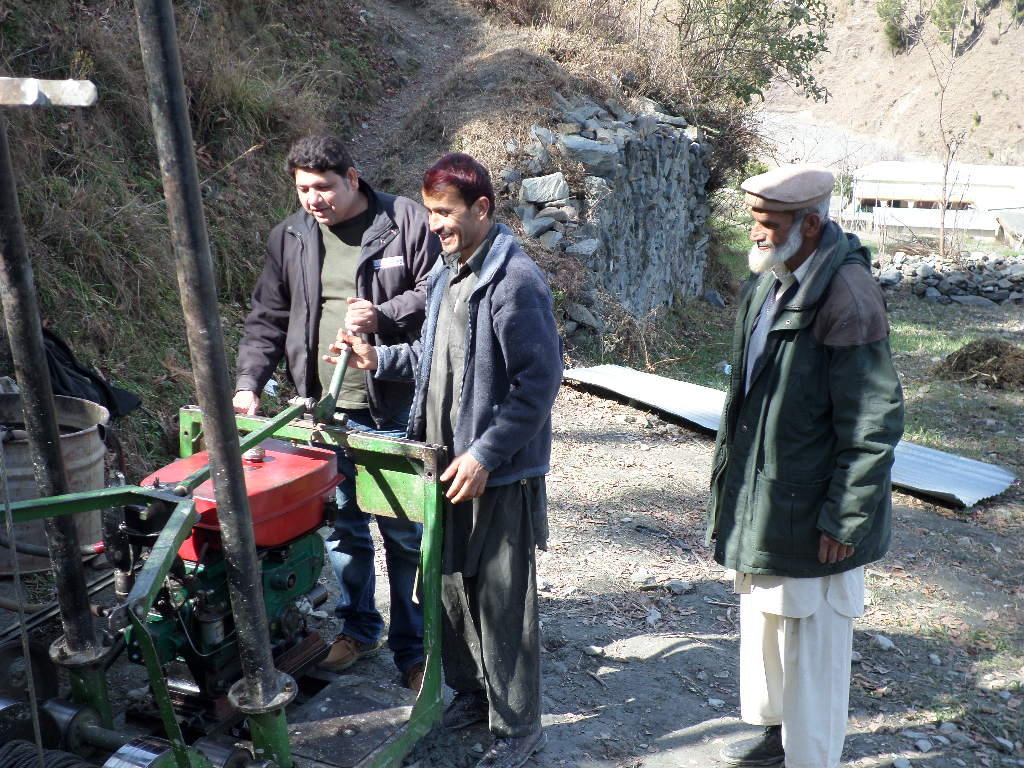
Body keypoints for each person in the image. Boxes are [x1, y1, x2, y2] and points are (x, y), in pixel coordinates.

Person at [326, 153, 562, 768]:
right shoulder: (450, 271)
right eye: (430, 213)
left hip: (498, 473)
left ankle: (519, 727)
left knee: (502, 603)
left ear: (482, 209)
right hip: (445, 466)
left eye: (446, 213)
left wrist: (486, 453)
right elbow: (435, 364)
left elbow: (539, 383)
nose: (435, 225)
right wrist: (378, 361)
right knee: (451, 588)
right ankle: (470, 693)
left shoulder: (514, 281)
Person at [707, 165, 905, 768]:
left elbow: (873, 423)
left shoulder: (847, 296)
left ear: (811, 224)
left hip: (816, 511)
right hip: (769, 503)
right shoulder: (771, 281)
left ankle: (810, 757)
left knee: (815, 648)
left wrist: (844, 522)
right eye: (754, 221)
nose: (756, 234)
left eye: (768, 224)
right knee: (767, 626)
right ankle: (775, 742)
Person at [233, 134, 440, 690]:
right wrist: (249, 383)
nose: (313, 200)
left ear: (352, 177)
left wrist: (385, 314)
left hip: (394, 406)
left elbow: (440, 293)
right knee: (342, 531)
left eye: (322, 187)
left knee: (403, 535)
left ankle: (415, 649)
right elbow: (267, 318)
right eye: (302, 189)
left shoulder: (406, 222)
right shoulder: (291, 237)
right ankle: (357, 628)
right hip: (321, 412)